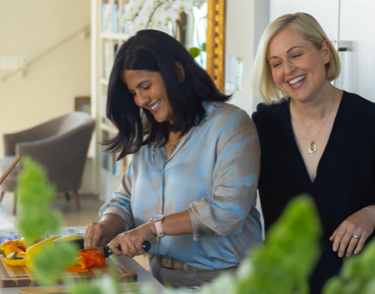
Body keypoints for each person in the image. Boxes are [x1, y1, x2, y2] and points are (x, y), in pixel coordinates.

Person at [84, 29, 263, 288]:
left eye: (146, 86)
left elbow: (229, 210)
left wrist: (151, 228)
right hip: (157, 278)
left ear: (177, 72)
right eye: (134, 92)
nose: (141, 100)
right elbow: (125, 198)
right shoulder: (152, 139)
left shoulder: (231, 125)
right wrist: (108, 225)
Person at [251, 12, 375, 293]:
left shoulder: (369, 120)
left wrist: (371, 214)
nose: (288, 70)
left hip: (357, 282)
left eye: (296, 55)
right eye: (276, 63)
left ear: (324, 51)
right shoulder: (263, 125)